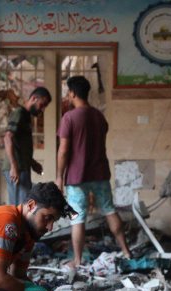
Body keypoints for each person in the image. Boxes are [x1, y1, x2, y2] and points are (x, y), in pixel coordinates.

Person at [56, 76, 131, 268]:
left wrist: (59, 177)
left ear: (72, 93)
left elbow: (63, 151)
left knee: (77, 218)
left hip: (76, 177)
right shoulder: (99, 116)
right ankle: (126, 250)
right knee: (109, 210)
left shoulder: (69, 118)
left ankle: (78, 260)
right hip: (100, 173)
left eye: (68, 91)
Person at [3, 87, 51, 205]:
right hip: (17, 168)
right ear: (34, 98)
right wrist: (14, 166)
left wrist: (32, 163)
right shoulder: (19, 113)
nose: (43, 109)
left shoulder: (26, 116)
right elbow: (8, 137)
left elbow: (20, 146)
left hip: (23, 167)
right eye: (42, 104)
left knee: (24, 205)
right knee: (20, 207)